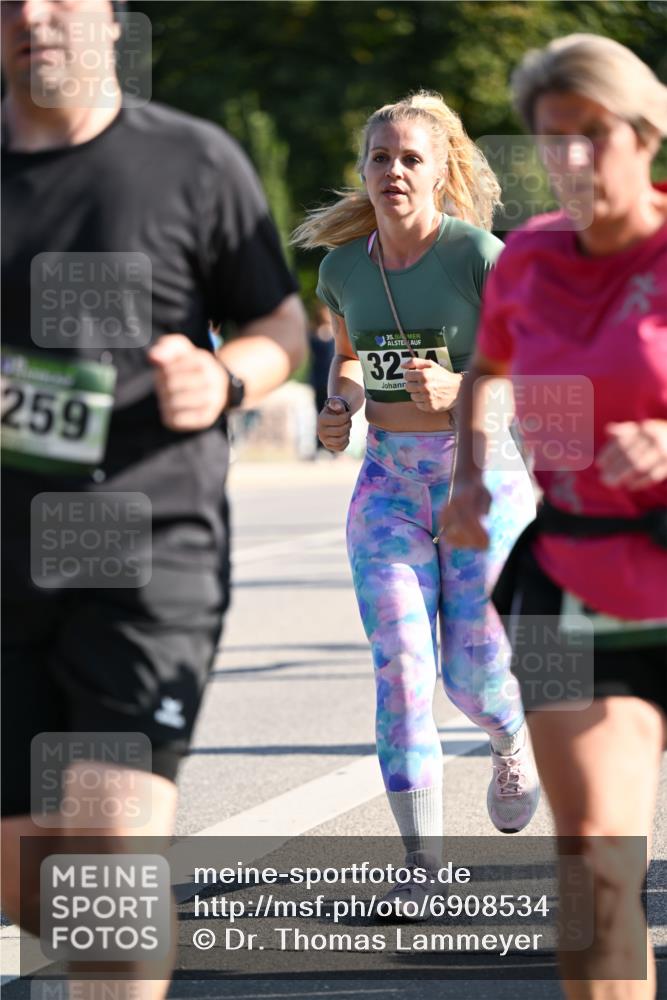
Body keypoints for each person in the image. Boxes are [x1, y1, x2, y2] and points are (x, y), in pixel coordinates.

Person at [1, 0, 306, 995]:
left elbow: (277, 323)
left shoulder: (191, 162)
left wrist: (222, 381)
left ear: (108, 21)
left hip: (141, 550)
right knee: (32, 880)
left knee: (107, 867)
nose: (34, 17)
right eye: (13, 0)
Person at [440, 34, 667, 997]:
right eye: (550, 138)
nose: (571, 159)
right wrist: (465, 481)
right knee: (595, 880)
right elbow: (483, 372)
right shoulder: (526, 256)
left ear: (645, 134)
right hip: (575, 581)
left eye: (592, 134)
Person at [293, 91, 541, 904]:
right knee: (401, 666)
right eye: (378, 158)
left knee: (470, 676)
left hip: (481, 476)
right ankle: (421, 868)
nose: (392, 170)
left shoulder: (478, 255)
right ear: (362, 171)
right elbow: (351, 357)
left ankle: (510, 741)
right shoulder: (340, 269)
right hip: (388, 485)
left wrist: (461, 384)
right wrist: (341, 409)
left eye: (409, 158)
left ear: (441, 171)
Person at [308, 302, 336, 455]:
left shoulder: (335, 333)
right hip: (320, 379)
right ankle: (320, 447)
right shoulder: (315, 334)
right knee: (319, 414)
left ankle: (332, 449)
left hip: (329, 378)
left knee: (332, 412)